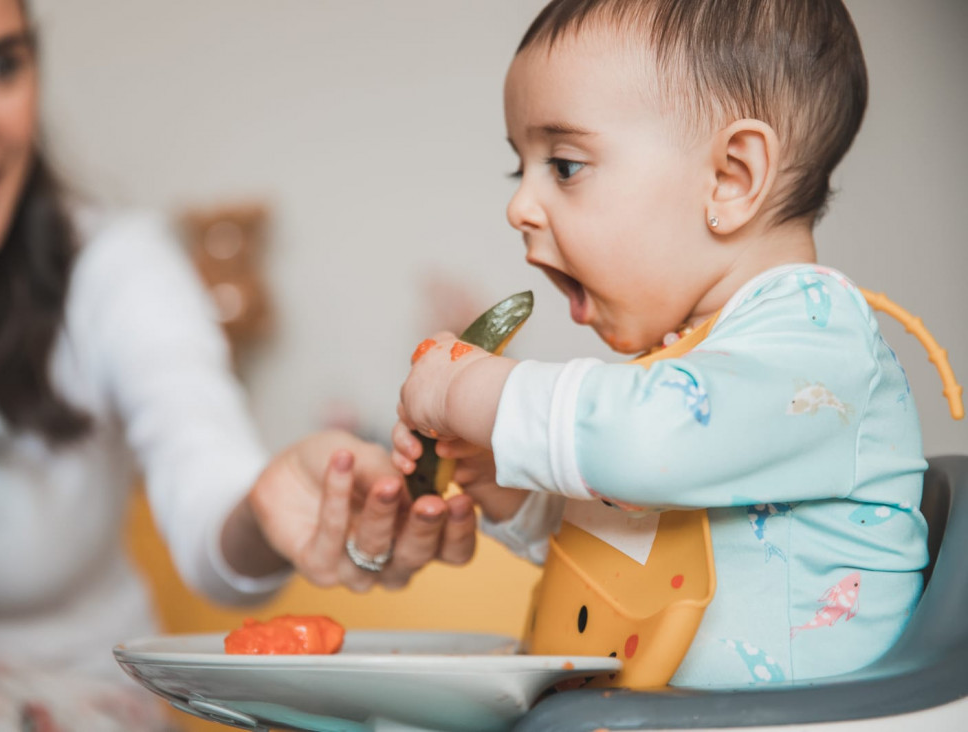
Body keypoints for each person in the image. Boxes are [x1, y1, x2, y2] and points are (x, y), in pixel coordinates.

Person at [0, 0, 477, 729]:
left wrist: (263, 507)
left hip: (81, 697)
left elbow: (206, 486)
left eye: (0, 66)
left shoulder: (114, 268)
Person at [392, 0, 929, 688]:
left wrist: (476, 391)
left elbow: (649, 443)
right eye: (518, 171)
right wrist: (512, 485)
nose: (518, 207)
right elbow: (640, 526)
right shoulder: (689, 363)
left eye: (564, 165)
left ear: (731, 178)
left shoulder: (816, 339)